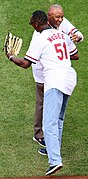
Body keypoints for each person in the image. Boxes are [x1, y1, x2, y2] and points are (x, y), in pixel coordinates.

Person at [6, 10, 79, 175]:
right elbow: (75, 55)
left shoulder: (40, 39)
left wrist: (10, 57)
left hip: (55, 80)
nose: (32, 26)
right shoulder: (61, 35)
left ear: (37, 23)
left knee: (49, 123)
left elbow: (25, 64)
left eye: (32, 23)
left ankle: (55, 161)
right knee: (58, 119)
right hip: (69, 78)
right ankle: (54, 150)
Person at [32, 4, 84, 150]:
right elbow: (33, 59)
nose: (61, 20)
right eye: (57, 17)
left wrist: (77, 37)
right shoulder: (40, 33)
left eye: (62, 16)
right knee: (43, 104)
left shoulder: (61, 23)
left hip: (57, 75)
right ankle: (39, 134)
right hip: (43, 73)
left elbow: (78, 35)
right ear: (49, 16)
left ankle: (51, 143)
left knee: (55, 112)